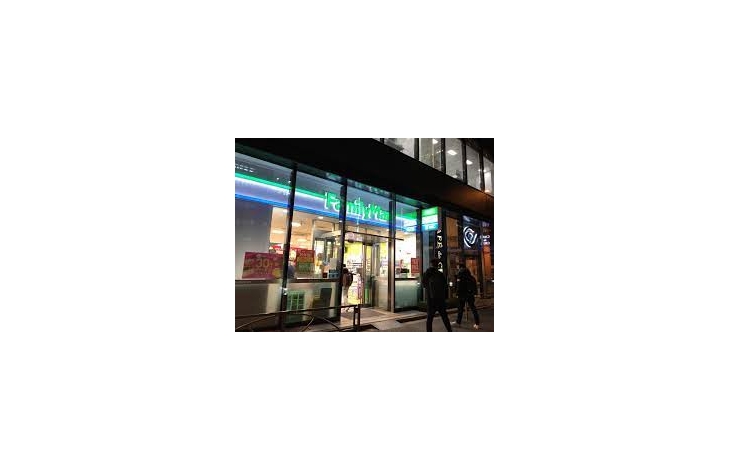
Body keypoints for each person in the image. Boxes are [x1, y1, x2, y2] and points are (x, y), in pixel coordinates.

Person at [422, 258, 452, 332]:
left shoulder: (426, 274)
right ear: (437, 265)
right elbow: (445, 286)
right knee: (445, 317)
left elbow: (424, 285)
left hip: (431, 299)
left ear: (431, 264)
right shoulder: (440, 274)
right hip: (440, 300)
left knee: (429, 319)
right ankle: (450, 331)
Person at [453, 263, 480, 330]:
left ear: (461, 268)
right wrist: (475, 293)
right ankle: (477, 323)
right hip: (470, 295)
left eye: (458, 268)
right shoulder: (470, 276)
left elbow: (459, 286)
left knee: (460, 309)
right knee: (473, 308)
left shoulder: (460, 275)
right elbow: (474, 284)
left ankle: (458, 322)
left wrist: (457, 294)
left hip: (462, 295)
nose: (458, 269)